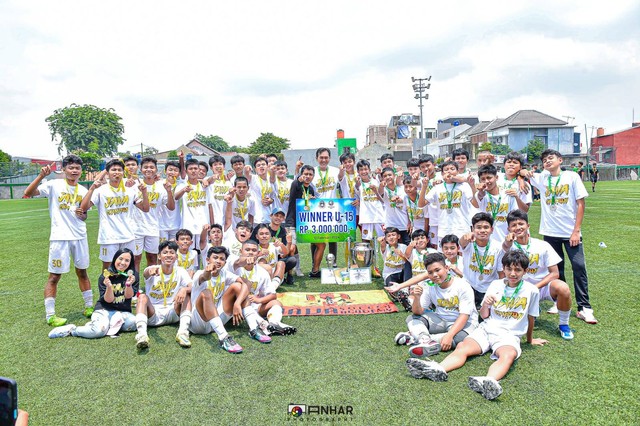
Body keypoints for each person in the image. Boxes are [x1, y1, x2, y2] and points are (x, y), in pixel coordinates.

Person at [406, 250, 548, 400]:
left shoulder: (532, 290)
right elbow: (484, 315)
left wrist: (530, 339)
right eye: (509, 269)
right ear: (504, 268)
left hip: (510, 334)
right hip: (487, 328)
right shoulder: (495, 284)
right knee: (462, 347)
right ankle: (439, 368)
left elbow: (531, 317)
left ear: (525, 271)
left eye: (518, 270)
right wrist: (486, 305)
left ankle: (487, 381)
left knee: (508, 355)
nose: (513, 273)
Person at [523, 149, 597, 324]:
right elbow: (522, 173)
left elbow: (581, 203)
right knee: (557, 269)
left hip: (570, 232)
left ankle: (584, 307)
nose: (547, 162)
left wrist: (576, 230)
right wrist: (523, 174)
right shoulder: (542, 178)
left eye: (550, 158)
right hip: (549, 232)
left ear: (560, 160)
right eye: (544, 160)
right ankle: (559, 301)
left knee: (579, 267)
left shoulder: (571, 176)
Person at [24, 155, 93, 326]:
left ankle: (89, 307)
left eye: (77, 168)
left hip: (79, 236)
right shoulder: (54, 185)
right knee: (54, 276)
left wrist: (82, 214)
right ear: (64, 169)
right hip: (59, 237)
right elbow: (28, 193)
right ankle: (50, 315)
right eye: (71, 168)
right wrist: (41, 176)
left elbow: (84, 216)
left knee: (82, 272)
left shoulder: (84, 191)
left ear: (81, 171)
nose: (74, 171)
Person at [502, 209, 575, 340]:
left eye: (521, 224)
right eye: (513, 225)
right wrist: (507, 243)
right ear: (508, 229)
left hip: (542, 287)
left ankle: (564, 325)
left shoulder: (542, 245)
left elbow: (555, 273)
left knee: (563, 288)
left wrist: (536, 287)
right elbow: (504, 249)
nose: (518, 228)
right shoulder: (509, 247)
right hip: (519, 288)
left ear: (528, 226)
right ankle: (533, 308)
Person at [394, 253, 478, 358]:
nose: (434, 275)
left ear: (446, 268)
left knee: (461, 339)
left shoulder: (462, 285)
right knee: (412, 318)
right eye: (430, 272)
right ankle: (424, 340)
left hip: (464, 323)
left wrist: (449, 335)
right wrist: (417, 298)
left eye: (437, 270)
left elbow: (464, 316)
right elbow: (417, 312)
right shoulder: (429, 285)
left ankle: (415, 337)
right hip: (441, 319)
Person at [48, 249, 139, 339]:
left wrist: (128, 284)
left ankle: (105, 325)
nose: (123, 262)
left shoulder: (133, 276)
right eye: (120, 258)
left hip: (122, 312)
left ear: (130, 263)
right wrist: (108, 286)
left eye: (127, 260)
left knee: (135, 323)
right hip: (104, 310)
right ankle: (72, 330)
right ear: (115, 259)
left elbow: (128, 296)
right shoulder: (105, 276)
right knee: (98, 331)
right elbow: (108, 300)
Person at [80, 159, 150, 271]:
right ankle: (107, 289)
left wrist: (145, 193)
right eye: (113, 170)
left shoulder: (130, 191)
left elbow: (146, 208)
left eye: (119, 170)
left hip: (128, 236)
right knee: (108, 270)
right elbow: (83, 208)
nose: (117, 172)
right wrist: (92, 189)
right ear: (107, 173)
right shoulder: (101, 191)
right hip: (109, 238)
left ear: (123, 172)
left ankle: (127, 289)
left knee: (127, 269)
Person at [231, 240, 297, 336]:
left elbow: (273, 295)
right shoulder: (234, 265)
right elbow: (237, 262)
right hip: (236, 305)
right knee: (239, 288)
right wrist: (244, 261)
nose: (250, 252)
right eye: (247, 249)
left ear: (258, 253)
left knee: (276, 303)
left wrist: (259, 299)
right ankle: (263, 326)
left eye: (253, 250)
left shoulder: (262, 272)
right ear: (241, 251)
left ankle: (274, 324)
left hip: (254, 306)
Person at [135, 241, 192, 350]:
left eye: (172, 252)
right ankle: (142, 335)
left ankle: (183, 332)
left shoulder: (180, 271)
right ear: (159, 256)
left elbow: (192, 286)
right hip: (153, 313)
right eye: (165, 252)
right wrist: (150, 271)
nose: (169, 255)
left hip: (173, 311)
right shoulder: (152, 269)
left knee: (187, 295)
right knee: (142, 297)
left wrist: (184, 289)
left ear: (176, 256)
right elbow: (146, 273)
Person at [189, 246, 246, 353]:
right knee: (207, 293)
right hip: (199, 323)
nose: (218, 261)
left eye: (222, 259)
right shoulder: (199, 273)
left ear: (225, 262)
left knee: (238, 286)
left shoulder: (225, 273)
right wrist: (207, 271)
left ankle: (255, 326)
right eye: (215, 258)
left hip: (216, 320)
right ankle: (223, 337)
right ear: (207, 260)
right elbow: (205, 277)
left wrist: (238, 303)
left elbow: (247, 283)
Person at [133, 157, 175, 271]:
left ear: (156, 170)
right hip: (136, 228)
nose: (148, 169)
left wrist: (169, 191)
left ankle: (150, 285)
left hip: (153, 227)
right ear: (141, 169)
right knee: (136, 258)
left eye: (151, 167)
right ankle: (134, 286)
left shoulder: (162, 187)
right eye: (145, 167)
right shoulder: (135, 185)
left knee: (152, 258)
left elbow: (171, 207)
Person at [418, 160, 475, 241]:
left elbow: (475, 203)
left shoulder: (464, 186)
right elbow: (421, 204)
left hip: (462, 229)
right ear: (441, 174)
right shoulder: (437, 188)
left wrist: (472, 185)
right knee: (445, 253)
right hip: (444, 230)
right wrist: (424, 186)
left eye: (452, 169)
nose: (449, 171)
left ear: (457, 172)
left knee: (462, 253)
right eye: (446, 169)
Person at [285, 165, 325, 277]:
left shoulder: (311, 189)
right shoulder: (296, 184)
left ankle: (315, 271)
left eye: (310, 174)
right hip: (292, 222)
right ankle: (291, 273)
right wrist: (299, 178)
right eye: (305, 174)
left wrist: (313, 202)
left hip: (306, 223)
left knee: (321, 244)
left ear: (313, 176)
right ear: (301, 174)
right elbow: (297, 182)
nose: (307, 176)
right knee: (292, 248)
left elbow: (309, 207)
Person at [460, 213, 505, 309]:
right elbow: (461, 243)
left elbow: (501, 273)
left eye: (486, 227)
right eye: (478, 227)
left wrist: (500, 292)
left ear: (492, 230)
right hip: (468, 285)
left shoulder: (498, 247)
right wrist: (465, 236)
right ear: (472, 229)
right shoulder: (469, 243)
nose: (482, 230)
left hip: (487, 288)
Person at [472, 164, 523, 243]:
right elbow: (480, 196)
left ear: (496, 178)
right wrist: (481, 191)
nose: (486, 181)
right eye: (483, 179)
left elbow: (514, 217)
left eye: (489, 178)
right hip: (487, 241)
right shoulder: (481, 195)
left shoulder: (508, 194)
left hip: (506, 239)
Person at [251, 207, 297, 285]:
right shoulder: (262, 228)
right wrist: (258, 253)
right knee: (262, 260)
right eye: (276, 215)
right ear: (271, 216)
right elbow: (251, 243)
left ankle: (286, 276)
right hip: (260, 257)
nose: (278, 218)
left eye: (281, 216)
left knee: (289, 257)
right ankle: (273, 279)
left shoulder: (283, 231)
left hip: (277, 256)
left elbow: (285, 253)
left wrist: (288, 243)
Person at [355, 159, 384, 277]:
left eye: (366, 169)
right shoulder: (358, 184)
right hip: (366, 217)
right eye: (361, 169)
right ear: (358, 171)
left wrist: (377, 188)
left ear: (369, 169)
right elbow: (357, 195)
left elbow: (382, 195)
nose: (364, 171)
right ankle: (367, 267)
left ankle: (388, 265)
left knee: (384, 240)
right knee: (366, 243)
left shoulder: (376, 180)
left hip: (379, 216)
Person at [174, 158, 210, 250]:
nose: (193, 171)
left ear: (199, 170)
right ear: (186, 171)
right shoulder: (182, 185)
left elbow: (209, 205)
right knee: (189, 253)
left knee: (202, 252)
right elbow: (175, 197)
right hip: (188, 225)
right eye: (190, 169)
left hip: (203, 224)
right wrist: (183, 190)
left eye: (195, 168)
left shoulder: (205, 186)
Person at [379, 167, 409, 245]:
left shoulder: (402, 188)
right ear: (382, 178)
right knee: (392, 249)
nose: (388, 177)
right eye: (385, 176)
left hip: (404, 224)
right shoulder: (384, 190)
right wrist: (381, 186)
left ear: (394, 176)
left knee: (407, 247)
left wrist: (401, 200)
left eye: (390, 175)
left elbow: (408, 205)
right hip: (391, 226)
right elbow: (379, 193)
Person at [159, 158, 185, 242]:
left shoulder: (180, 185)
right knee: (162, 249)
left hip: (175, 223)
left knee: (174, 249)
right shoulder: (159, 184)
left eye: (175, 170)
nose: (172, 172)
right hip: (161, 224)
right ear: (165, 171)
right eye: (170, 170)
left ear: (178, 173)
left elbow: (176, 198)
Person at [205, 154, 233, 227]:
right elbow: (206, 182)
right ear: (211, 167)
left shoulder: (229, 181)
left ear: (224, 166)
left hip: (226, 217)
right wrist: (213, 178)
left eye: (220, 164)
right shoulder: (208, 180)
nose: (218, 166)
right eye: (215, 165)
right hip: (213, 216)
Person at [245, 157, 274, 225]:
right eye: (258, 165)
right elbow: (246, 173)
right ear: (255, 169)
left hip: (269, 217)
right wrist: (246, 168)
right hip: (256, 218)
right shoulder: (253, 179)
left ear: (267, 166)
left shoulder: (271, 180)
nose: (261, 166)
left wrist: (271, 200)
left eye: (263, 164)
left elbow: (274, 196)